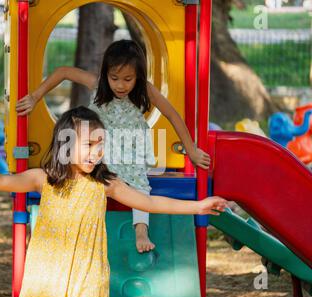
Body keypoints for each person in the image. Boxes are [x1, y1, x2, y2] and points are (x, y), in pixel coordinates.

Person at [0, 107, 225, 297]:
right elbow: (1, 182)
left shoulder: (105, 183)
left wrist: (198, 206)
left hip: (87, 278)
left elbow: (149, 202)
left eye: (101, 144)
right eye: (89, 144)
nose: (96, 152)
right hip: (46, 277)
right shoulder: (44, 179)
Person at [16, 40, 211, 254]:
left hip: (131, 151)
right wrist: (35, 97)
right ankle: (70, 226)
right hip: (101, 150)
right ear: (106, 73)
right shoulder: (97, 84)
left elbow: (171, 113)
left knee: (139, 186)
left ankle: (141, 230)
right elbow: (63, 72)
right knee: (85, 181)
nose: (120, 85)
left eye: (128, 79)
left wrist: (190, 149)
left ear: (138, 76)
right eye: (114, 78)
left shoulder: (144, 90)